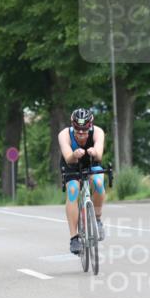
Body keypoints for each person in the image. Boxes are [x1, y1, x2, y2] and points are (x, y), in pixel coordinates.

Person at [59, 108, 106, 255]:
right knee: (73, 190)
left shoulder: (98, 132)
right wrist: (74, 154)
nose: (80, 133)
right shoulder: (64, 134)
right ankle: (74, 238)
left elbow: (99, 155)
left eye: (84, 129)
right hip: (71, 164)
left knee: (98, 183)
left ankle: (97, 219)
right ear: (72, 125)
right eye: (77, 129)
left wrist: (94, 152)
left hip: (91, 162)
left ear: (90, 125)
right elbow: (68, 157)